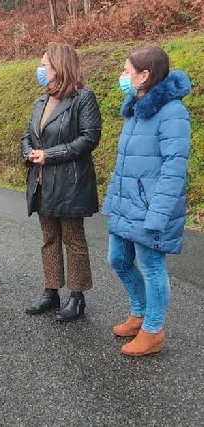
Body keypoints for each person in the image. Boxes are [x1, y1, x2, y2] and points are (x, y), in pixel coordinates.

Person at [103, 45, 191, 356]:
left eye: (127, 72)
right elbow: (125, 163)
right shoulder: (136, 108)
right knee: (118, 260)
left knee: (152, 267)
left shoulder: (172, 112)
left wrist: (158, 214)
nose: (122, 77)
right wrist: (113, 199)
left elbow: (173, 168)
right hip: (127, 205)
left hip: (150, 208)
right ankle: (138, 314)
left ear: (144, 76)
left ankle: (153, 330)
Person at [21, 42, 102, 322]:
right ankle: (51, 292)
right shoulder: (41, 101)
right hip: (42, 182)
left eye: (44, 65)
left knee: (73, 239)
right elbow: (27, 136)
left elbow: (89, 139)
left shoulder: (83, 98)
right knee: (49, 239)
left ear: (59, 67)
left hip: (70, 184)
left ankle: (77, 297)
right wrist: (28, 152)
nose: (40, 70)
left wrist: (49, 155)